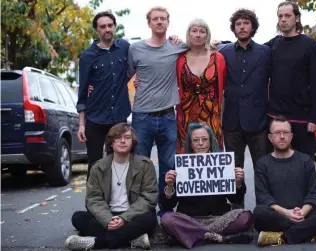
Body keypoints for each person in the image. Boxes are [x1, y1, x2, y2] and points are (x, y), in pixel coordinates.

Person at [65, 123, 158, 250]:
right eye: (118, 137)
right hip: (109, 213)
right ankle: (134, 238)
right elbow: (93, 198)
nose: (123, 141)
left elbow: (148, 197)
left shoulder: (145, 165)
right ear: (111, 142)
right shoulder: (98, 167)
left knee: (150, 219)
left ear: (133, 142)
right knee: (78, 218)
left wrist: (124, 218)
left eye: (127, 137)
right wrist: (108, 220)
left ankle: (96, 243)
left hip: (133, 214)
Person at [127, 6, 188, 200]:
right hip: (141, 116)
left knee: (168, 166)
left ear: (168, 22)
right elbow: (124, 76)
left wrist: (217, 42)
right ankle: (142, 210)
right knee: (140, 166)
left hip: (168, 116)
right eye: (155, 19)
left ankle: (166, 211)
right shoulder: (135, 49)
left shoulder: (177, 46)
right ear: (149, 23)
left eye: (163, 18)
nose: (160, 21)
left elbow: (201, 46)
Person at [159, 123, 253, 249]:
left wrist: (238, 183)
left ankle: (192, 235)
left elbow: (235, 199)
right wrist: (169, 187)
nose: (201, 143)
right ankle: (220, 238)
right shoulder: (180, 166)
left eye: (204, 139)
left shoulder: (223, 163)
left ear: (210, 141)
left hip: (219, 219)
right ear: (190, 144)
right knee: (167, 219)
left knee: (245, 216)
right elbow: (168, 205)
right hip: (189, 219)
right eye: (196, 140)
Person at [253, 116, 316, 246]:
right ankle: (310, 233)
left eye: (286, 132)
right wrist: (287, 213)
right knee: (259, 213)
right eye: (277, 133)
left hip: (303, 214)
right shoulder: (262, 164)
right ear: (270, 137)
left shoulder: (305, 161)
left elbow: (313, 194)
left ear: (291, 136)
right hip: (278, 216)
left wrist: (302, 213)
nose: (282, 136)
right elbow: (263, 197)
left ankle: (284, 236)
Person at [263, 1, 316, 159]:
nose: (283, 19)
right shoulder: (273, 45)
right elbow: (251, 50)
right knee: (276, 168)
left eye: (287, 15)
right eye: (280, 16)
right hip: (275, 118)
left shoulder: (310, 45)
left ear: (297, 18)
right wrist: (222, 45)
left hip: (302, 118)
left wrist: (314, 117)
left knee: (304, 167)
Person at [76, 11, 131, 179]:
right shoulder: (87, 56)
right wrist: (82, 124)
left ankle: (119, 203)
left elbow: (143, 58)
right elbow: (83, 91)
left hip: (119, 117)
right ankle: (93, 204)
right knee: (95, 165)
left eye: (110, 25)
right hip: (96, 118)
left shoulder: (125, 47)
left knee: (120, 163)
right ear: (96, 31)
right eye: (102, 27)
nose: (107, 29)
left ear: (114, 27)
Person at [217, 9, 270, 171]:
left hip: (259, 123)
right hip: (232, 123)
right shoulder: (222, 52)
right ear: (233, 29)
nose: (242, 27)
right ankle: (237, 198)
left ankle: (265, 198)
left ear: (253, 27)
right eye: (238, 24)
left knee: (263, 170)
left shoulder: (266, 52)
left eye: (246, 23)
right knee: (233, 172)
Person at [175, 18, 226, 154]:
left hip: (212, 112)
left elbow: (225, 84)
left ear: (207, 35)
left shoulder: (218, 57)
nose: (198, 35)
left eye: (202, 31)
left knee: (214, 151)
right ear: (188, 34)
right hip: (186, 112)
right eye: (194, 31)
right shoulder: (179, 58)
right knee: (186, 150)